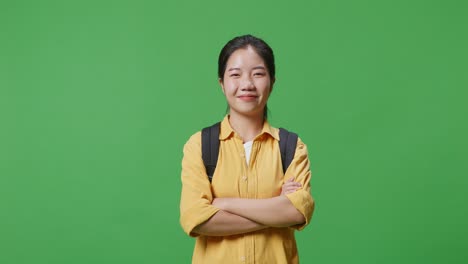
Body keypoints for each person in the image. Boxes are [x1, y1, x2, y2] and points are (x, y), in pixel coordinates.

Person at [179, 34, 315, 264]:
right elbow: (195, 219)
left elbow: (297, 212)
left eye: (258, 73)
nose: (247, 84)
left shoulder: (291, 147)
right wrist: (274, 212)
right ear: (222, 83)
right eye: (235, 74)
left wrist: (224, 203)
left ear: (272, 81)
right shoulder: (200, 145)